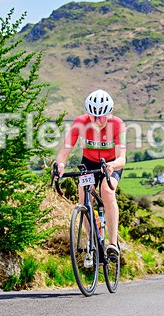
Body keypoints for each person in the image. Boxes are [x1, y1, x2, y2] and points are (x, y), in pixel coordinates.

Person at [54, 89, 126, 265]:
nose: (97, 121)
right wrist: (60, 166)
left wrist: (112, 166)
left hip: (110, 164)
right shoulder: (80, 123)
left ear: (109, 114)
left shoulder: (118, 125)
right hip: (89, 163)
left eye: (102, 117)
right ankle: (92, 242)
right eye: (93, 117)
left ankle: (113, 243)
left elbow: (122, 158)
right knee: (83, 199)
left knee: (107, 191)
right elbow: (64, 152)